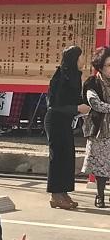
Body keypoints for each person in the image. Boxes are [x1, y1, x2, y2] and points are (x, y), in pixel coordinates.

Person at [46, 46, 89, 209]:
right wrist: (77, 109)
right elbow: (54, 105)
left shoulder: (75, 76)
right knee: (57, 158)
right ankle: (55, 194)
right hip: (55, 120)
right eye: (81, 56)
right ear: (74, 59)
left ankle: (63, 192)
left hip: (65, 121)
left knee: (67, 157)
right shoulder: (60, 76)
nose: (83, 59)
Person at [81, 47, 110, 208]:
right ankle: (100, 195)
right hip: (100, 130)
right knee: (101, 167)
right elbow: (95, 103)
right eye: (109, 65)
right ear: (100, 66)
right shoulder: (92, 83)